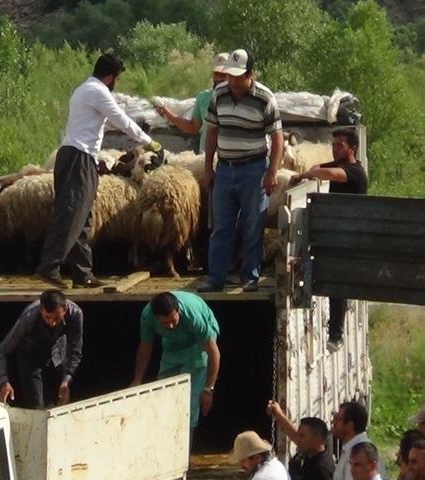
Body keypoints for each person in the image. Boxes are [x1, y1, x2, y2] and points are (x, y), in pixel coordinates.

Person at [35, 53, 163, 290]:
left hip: (78, 156)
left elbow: (111, 120)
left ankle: (82, 273)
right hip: (78, 156)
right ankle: (49, 266)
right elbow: (121, 119)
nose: (117, 84)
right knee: (72, 212)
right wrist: (149, 142)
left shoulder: (85, 90)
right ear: (110, 76)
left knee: (84, 216)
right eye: (117, 78)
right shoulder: (97, 91)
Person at [199, 49, 284, 293]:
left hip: (254, 169)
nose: (234, 82)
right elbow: (212, 131)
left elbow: (277, 137)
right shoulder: (219, 94)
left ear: (250, 74)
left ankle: (250, 277)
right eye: (231, 77)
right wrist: (208, 168)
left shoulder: (265, 98)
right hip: (225, 168)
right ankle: (216, 278)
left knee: (252, 224)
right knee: (221, 226)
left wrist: (272, 172)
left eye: (239, 77)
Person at [290, 128, 368, 351]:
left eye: (340, 145)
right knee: (328, 278)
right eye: (333, 145)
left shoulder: (355, 172)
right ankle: (330, 331)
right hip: (334, 233)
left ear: (352, 148)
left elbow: (330, 175)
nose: (335, 149)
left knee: (339, 281)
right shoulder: (337, 166)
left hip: (351, 237)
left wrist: (306, 174)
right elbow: (318, 169)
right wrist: (305, 173)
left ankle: (336, 334)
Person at [131, 291, 220, 430]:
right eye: (165, 323)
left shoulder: (193, 316)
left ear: (178, 310)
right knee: (164, 395)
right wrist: (137, 380)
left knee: (188, 405)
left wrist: (208, 389)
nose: (170, 325)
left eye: (173, 320)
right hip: (171, 344)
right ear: (156, 318)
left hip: (197, 345)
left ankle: (186, 447)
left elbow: (213, 352)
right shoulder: (147, 316)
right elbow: (145, 347)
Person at [0, 289, 83, 408]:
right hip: (30, 357)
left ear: (65, 309)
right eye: (47, 317)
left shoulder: (76, 314)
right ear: (41, 310)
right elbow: (1, 350)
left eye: (57, 318)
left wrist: (66, 380)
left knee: (57, 404)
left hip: (56, 355)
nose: (52, 323)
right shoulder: (29, 317)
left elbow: (75, 351)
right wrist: (4, 381)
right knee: (37, 404)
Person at [156, 52, 229, 153]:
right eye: (217, 74)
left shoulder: (239, 98)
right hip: (206, 158)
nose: (220, 78)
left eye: (224, 74)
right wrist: (169, 115)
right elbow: (194, 127)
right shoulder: (204, 98)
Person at [267, 401, 334, 480]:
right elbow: (293, 434)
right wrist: (278, 414)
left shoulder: (321, 470)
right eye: (299, 435)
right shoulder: (313, 452)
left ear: (317, 440)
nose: (297, 439)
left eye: (302, 436)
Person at [332, 401, 385, 480]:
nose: (333, 422)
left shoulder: (358, 454)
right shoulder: (352, 448)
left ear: (350, 425)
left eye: (337, 419)